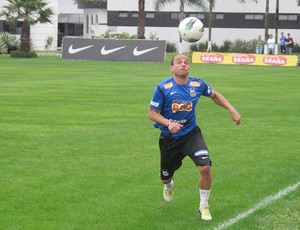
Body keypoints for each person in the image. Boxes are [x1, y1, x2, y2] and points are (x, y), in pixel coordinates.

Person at [148, 54, 241, 221]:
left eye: (186, 62)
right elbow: (152, 114)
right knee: (165, 177)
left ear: (189, 68)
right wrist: (169, 123)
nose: (183, 64)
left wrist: (232, 110)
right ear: (171, 68)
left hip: (191, 134)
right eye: (179, 62)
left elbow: (215, 95)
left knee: (205, 168)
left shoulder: (197, 84)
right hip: (170, 139)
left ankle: (204, 205)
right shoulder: (163, 88)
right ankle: (169, 185)